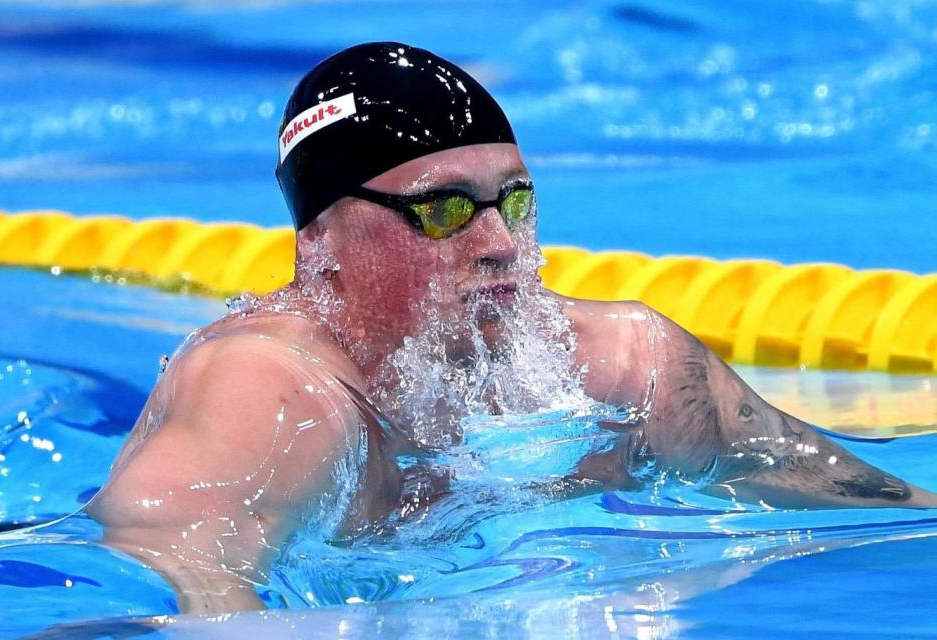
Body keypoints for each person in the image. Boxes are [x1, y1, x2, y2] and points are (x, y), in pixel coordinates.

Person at [86, 42, 937, 613]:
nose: (500, 245)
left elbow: (886, 509)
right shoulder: (273, 392)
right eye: (446, 209)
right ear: (323, 243)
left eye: (515, 201)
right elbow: (173, 602)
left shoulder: (623, 367)